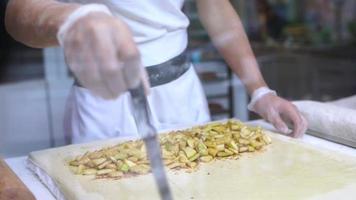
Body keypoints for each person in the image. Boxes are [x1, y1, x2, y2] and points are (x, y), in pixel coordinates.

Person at [5, 0, 307, 144]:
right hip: (104, 102)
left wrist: (260, 91)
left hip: (180, 96)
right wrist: (69, 20)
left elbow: (215, 8)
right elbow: (16, 13)